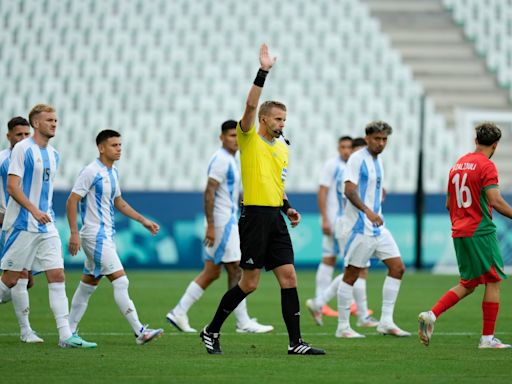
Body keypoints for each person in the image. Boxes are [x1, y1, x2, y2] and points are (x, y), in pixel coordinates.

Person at [199, 44, 325, 355]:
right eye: (278, 119)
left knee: (289, 276)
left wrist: (288, 207)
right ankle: (211, 330)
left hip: (275, 217)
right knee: (249, 283)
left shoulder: (283, 148)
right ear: (265, 120)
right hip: (253, 217)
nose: (283, 123)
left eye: (285, 119)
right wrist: (263, 72)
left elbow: (276, 185)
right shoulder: (249, 138)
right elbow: (250, 105)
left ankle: (296, 342)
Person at [0, 104, 96, 348]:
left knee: (57, 274)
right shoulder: (22, 150)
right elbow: (12, 187)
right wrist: (33, 210)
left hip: (46, 225)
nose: (54, 123)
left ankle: (66, 336)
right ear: (36, 123)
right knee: (10, 280)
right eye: (49, 120)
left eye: (56, 120)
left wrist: (45, 214)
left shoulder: (54, 154)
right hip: (22, 224)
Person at [166, 120, 273, 334]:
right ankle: (242, 321)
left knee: (212, 272)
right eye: (231, 135)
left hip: (227, 219)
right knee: (236, 268)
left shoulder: (232, 159)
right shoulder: (221, 160)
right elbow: (209, 192)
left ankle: (179, 312)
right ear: (222, 137)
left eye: (237, 135)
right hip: (223, 222)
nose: (235, 139)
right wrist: (212, 226)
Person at [419, 122, 511, 349]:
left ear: (476, 140)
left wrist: (462, 220)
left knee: (469, 284)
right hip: (480, 231)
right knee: (493, 280)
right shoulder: (486, 166)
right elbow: (496, 201)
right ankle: (487, 339)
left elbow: (449, 203)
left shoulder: (458, 164)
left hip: (460, 231)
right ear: (496, 144)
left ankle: (431, 314)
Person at [67, 129, 163, 345]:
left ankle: (68, 333)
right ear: (101, 148)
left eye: (120, 145)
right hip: (95, 235)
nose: (119, 149)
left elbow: (118, 202)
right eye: (114, 145)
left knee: (88, 285)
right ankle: (140, 332)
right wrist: (74, 233)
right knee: (121, 281)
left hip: (105, 235)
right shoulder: (91, 172)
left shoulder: (113, 172)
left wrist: (143, 220)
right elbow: (72, 200)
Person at [335, 121, 410, 338]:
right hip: (360, 227)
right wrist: (367, 210)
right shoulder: (357, 159)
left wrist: (379, 193)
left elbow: (369, 187)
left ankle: (386, 321)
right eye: (377, 139)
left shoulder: (378, 161)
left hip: (378, 227)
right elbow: (349, 190)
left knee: (398, 268)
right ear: (367, 138)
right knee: (351, 275)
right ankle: (343, 327)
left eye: (384, 139)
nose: (381, 143)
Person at [306, 137, 378, 329]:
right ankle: (358, 314)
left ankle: (321, 303)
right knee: (356, 269)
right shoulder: (347, 172)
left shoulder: (348, 171)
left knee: (353, 268)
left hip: (344, 223)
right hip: (349, 225)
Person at [0, 116, 39, 342]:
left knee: (23, 279)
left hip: (27, 224)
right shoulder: (3, 159)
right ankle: (26, 332)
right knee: (18, 276)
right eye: (19, 135)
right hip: (8, 224)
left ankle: (26, 331)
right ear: (9, 136)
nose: (24, 138)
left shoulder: (33, 158)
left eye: (27, 134)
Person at [314, 135, 352, 318]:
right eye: (342, 147)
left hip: (346, 221)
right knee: (333, 260)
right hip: (335, 220)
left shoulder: (352, 166)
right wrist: (324, 218)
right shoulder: (332, 165)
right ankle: (322, 302)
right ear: (338, 148)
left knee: (338, 260)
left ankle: (324, 302)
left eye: (348, 147)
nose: (346, 150)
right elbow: (322, 191)